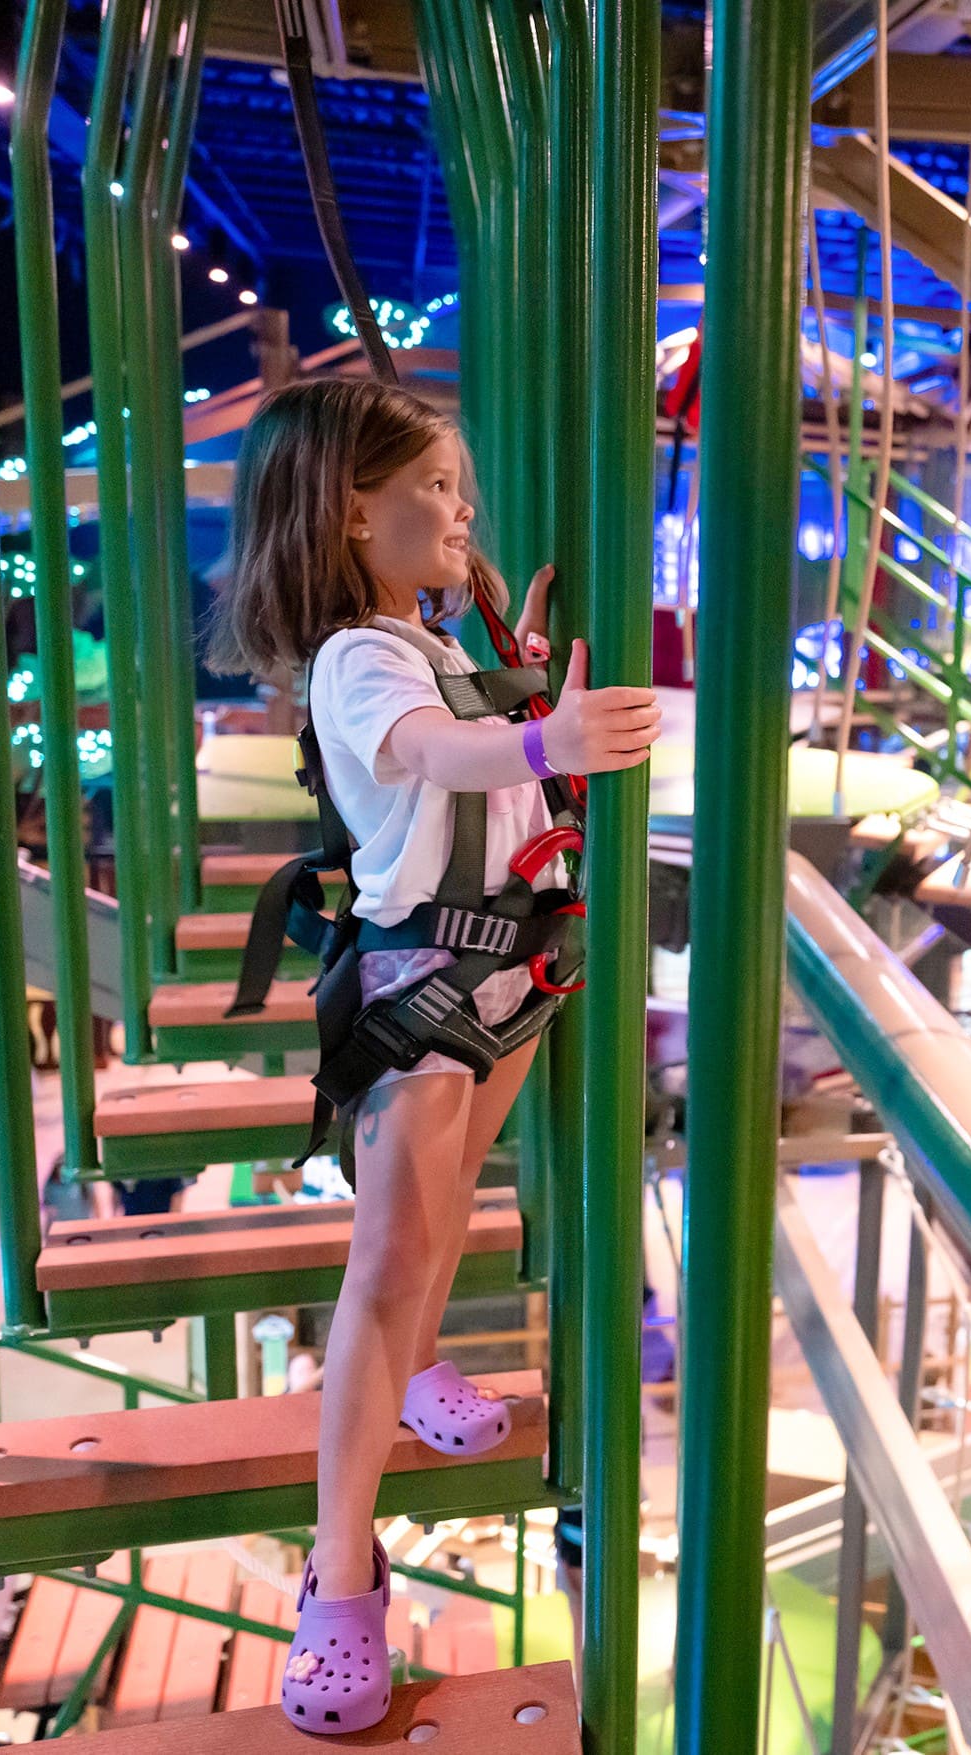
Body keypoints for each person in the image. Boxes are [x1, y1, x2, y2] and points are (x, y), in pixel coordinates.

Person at [205, 378, 661, 1733]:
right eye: (437, 491)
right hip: (428, 978)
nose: (462, 512)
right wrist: (544, 735)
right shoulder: (362, 659)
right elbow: (426, 750)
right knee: (392, 1249)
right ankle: (338, 1569)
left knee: (452, 1203)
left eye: (462, 489)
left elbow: (469, 728)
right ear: (352, 513)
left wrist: (519, 677)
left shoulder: (432, 634)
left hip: (512, 963)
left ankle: (412, 1374)